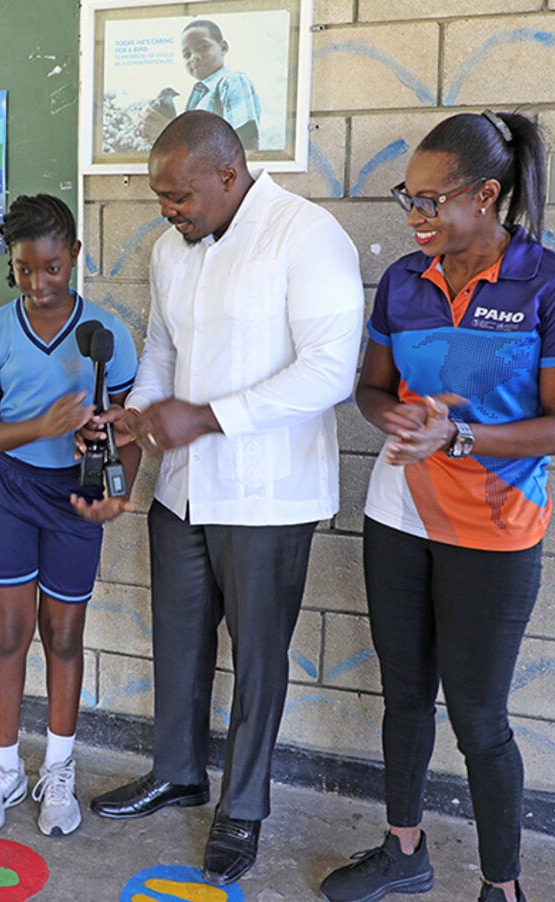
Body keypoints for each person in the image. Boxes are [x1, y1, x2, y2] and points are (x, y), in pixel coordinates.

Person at [318, 111, 555, 902]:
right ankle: (403, 850)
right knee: (405, 697)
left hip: (496, 528)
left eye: (430, 201)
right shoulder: (406, 283)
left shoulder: (553, 283)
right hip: (398, 513)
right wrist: (401, 421)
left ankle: (501, 887)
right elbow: (372, 391)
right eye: (405, 199)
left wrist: (461, 436)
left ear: (485, 195)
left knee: (480, 721)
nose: (414, 217)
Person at [89, 110, 363, 885]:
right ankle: (177, 771)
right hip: (181, 493)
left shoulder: (305, 236)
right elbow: (163, 352)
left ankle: (242, 807)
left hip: (268, 497)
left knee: (258, 661)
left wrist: (205, 418)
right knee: (177, 640)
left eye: (178, 196)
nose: (167, 211)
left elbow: (329, 372)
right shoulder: (171, 251)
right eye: (160, 198)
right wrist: (135, 426)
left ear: (227, 175)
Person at [0, 194, 140, 838]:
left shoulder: (108, 336)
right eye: (24, 270)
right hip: (7, 491)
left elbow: (130, 432)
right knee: (9, 635)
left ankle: (58, 768)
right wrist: (44, 424)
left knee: (63, 636)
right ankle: (4, 768)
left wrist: (118, 489)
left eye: (53, 268)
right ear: (11, 266)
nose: (39, 284)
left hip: (72, 499)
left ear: (76, 258)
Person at [141, 19, 262, 151]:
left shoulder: (232, 81)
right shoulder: (198, 96)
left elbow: (244, 146)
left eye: (204, 47)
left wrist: (169, 133)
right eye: (187, 54)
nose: (194, 57)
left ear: (223, 47)